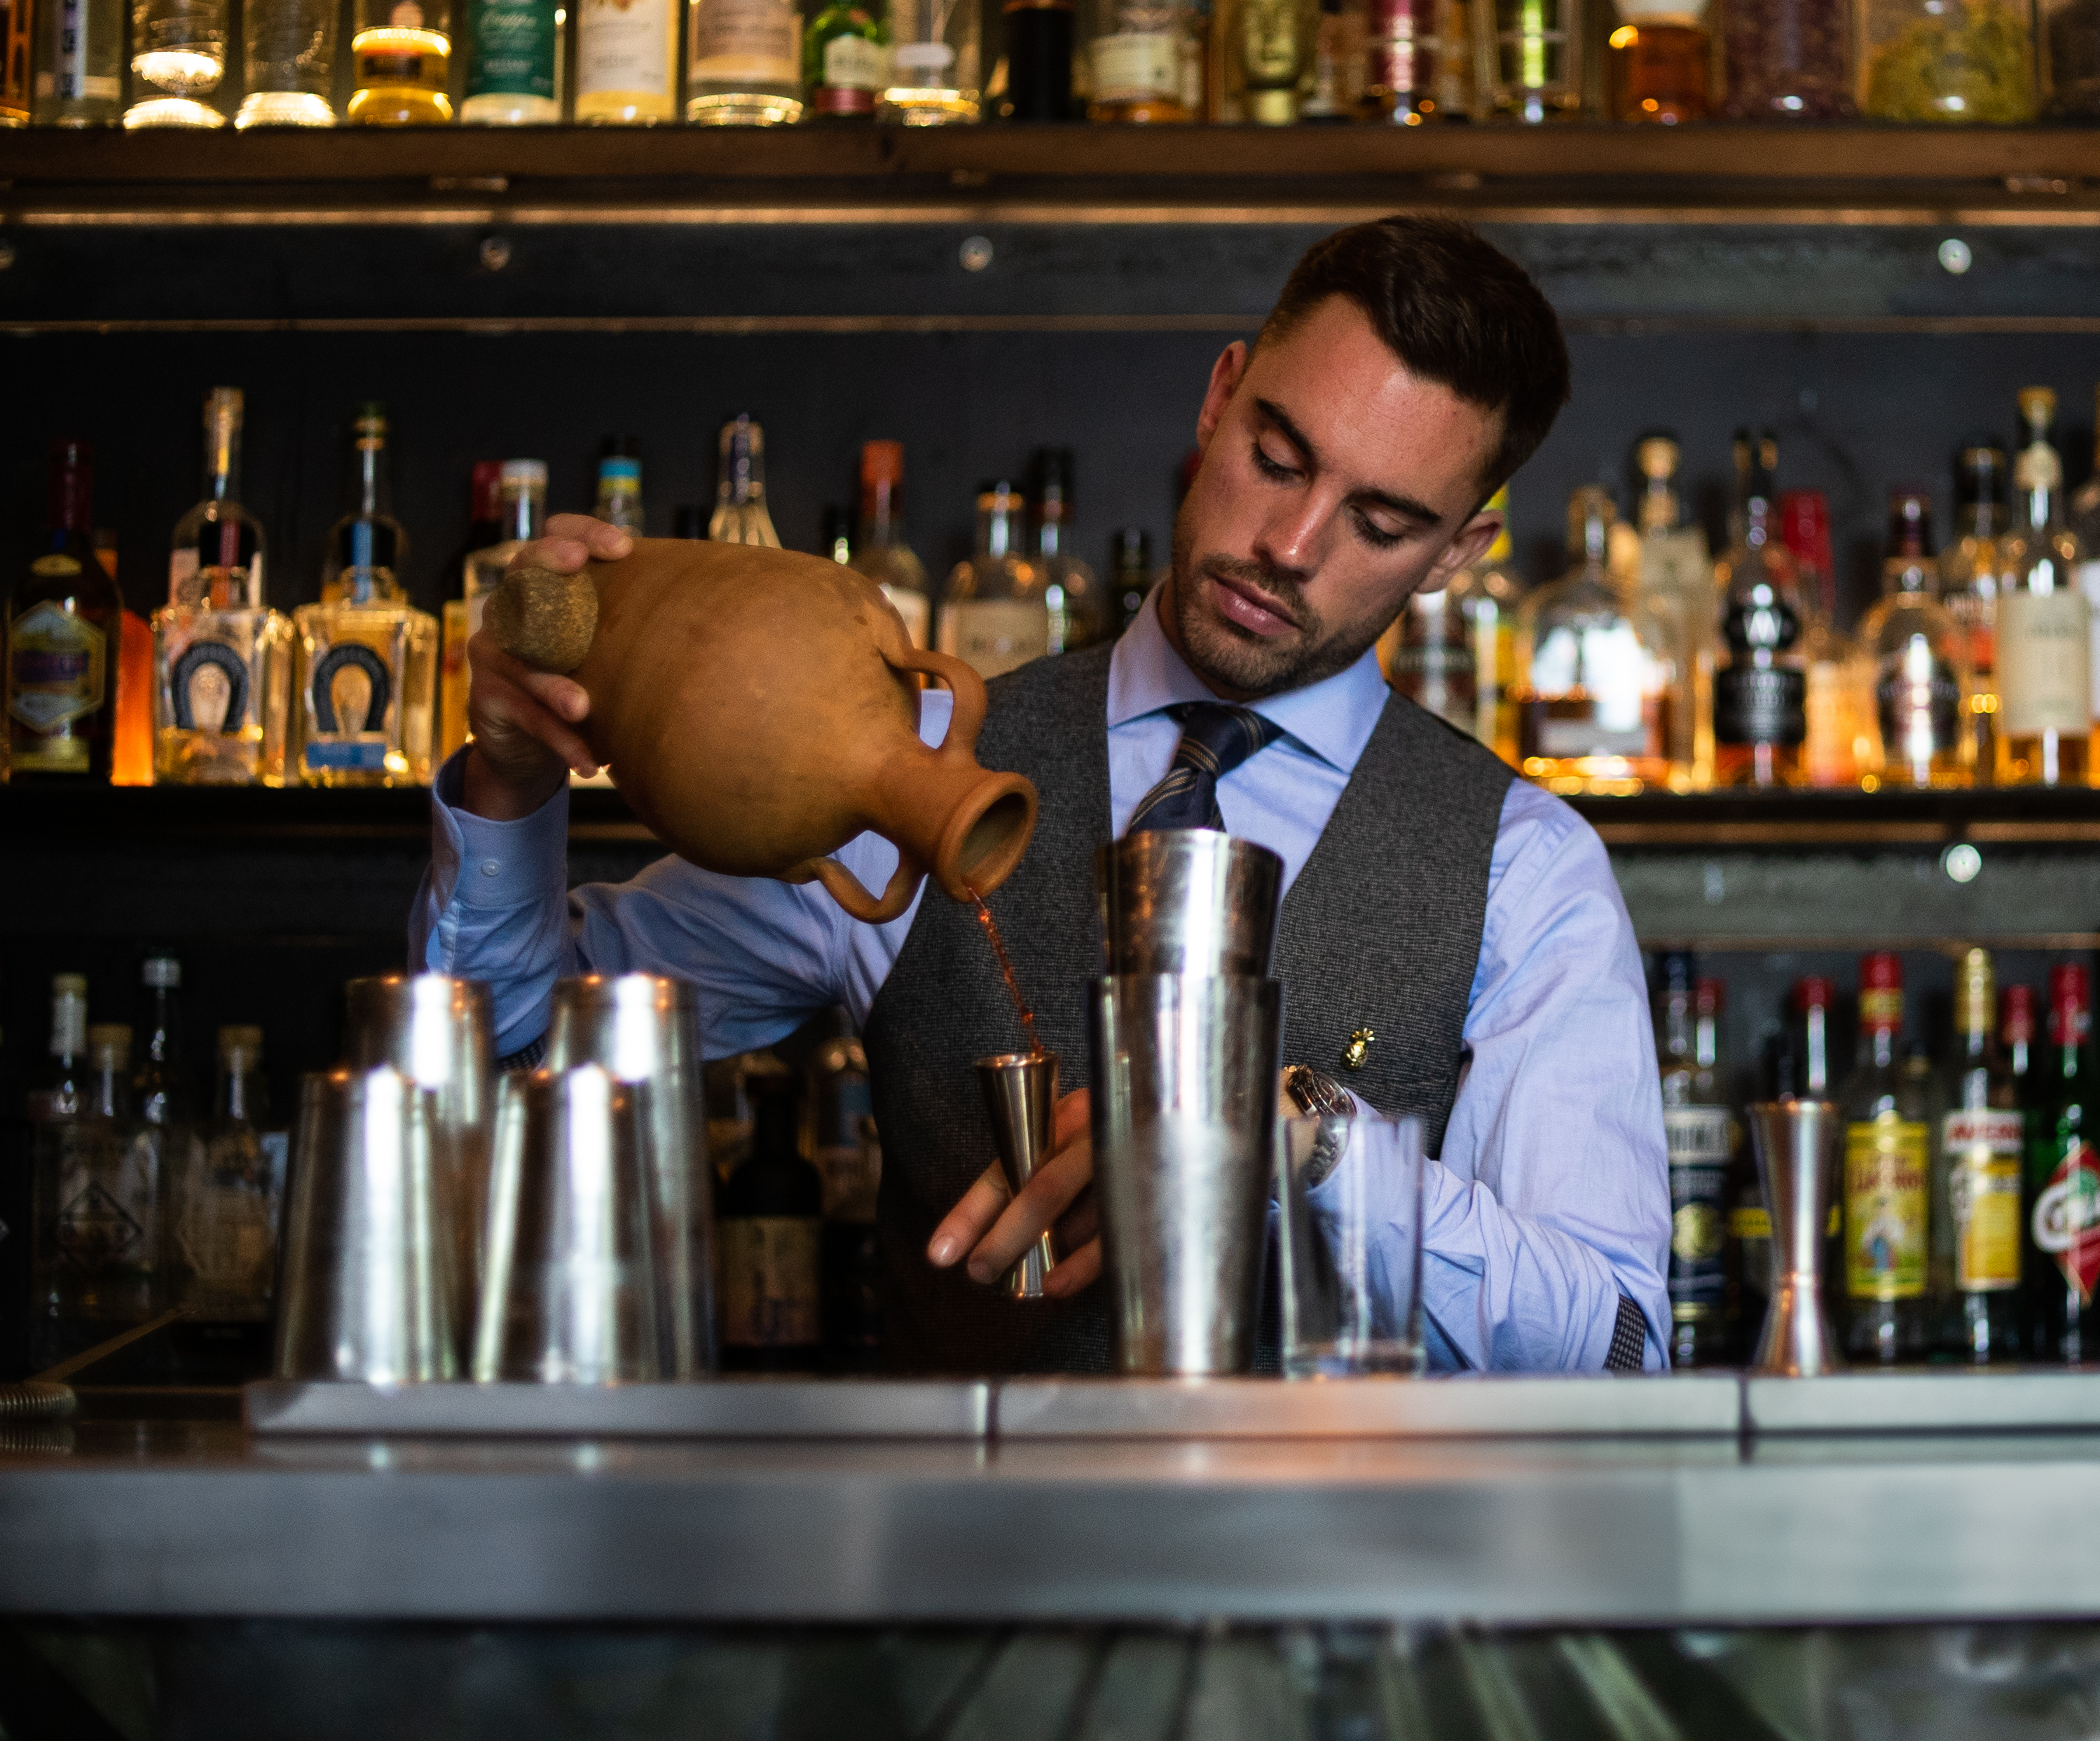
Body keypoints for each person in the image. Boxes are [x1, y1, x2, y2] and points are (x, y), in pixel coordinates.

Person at [416, 214, 1670, 1373]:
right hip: (961, 1588)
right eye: (1276, 458)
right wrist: (512, 785)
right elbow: (498, 1056)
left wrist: (1297, 1132)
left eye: (1383, 523)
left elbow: (1617, 1349)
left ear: (1459, 553)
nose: (1291, 545)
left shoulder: (1521, 865)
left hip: (1346, 1602)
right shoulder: (894, 768)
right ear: (1220, 393)